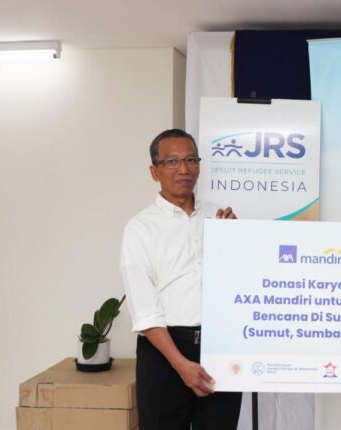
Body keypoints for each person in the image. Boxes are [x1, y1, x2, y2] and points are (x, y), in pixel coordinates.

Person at [121, 129, 242, 430]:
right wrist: (181, 364)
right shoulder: (140, 228)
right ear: (155, 171)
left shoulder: (219, 216)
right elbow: (145, 311)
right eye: (172, 161)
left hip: (218, 346)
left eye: (191, 160)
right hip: (164, 352)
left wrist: (235, 240)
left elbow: (239, 284)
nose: (184, 169)